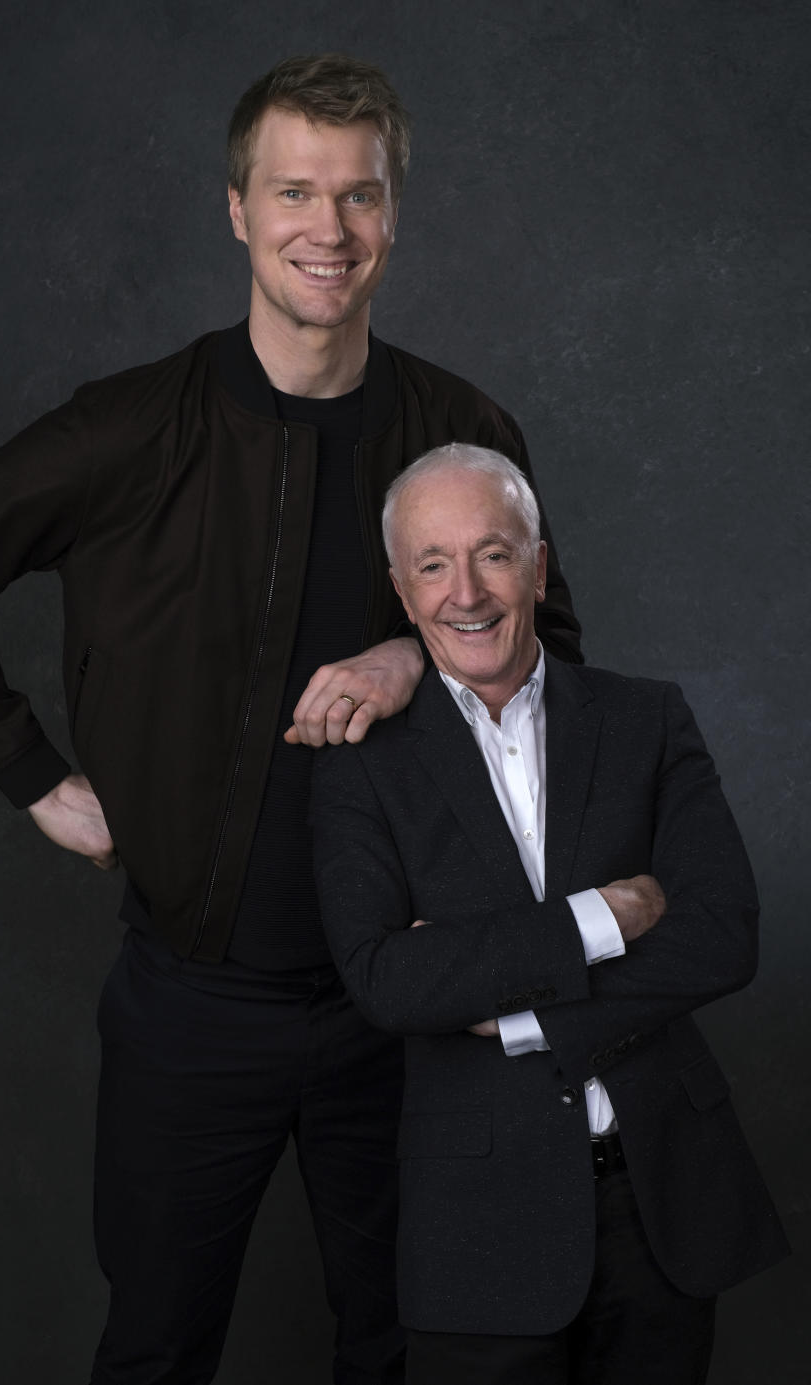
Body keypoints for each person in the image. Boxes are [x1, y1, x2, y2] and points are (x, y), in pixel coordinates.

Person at [0, 58, 582, 1385]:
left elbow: (565, 671)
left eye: (358, 196)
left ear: (396, 216)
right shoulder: (130, 428)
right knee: (154, 1351)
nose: (330, 227)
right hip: (193, 1010)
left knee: (423, 1345)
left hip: (415, 1008)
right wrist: (36, 777)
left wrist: (417, 656)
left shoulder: (461, 428)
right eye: (295, 191)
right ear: (238, 210)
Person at [311, 444, 789, 1385]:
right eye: (433, 564)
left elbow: (723, 930)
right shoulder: (360, 765)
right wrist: (604, 918)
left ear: (537, 564)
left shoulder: (647, 718)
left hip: (662, 1201)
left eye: (493, 552)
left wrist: (521, 1010)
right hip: (481, 1221)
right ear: (402, 594)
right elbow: (388, 978)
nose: (467, 592)